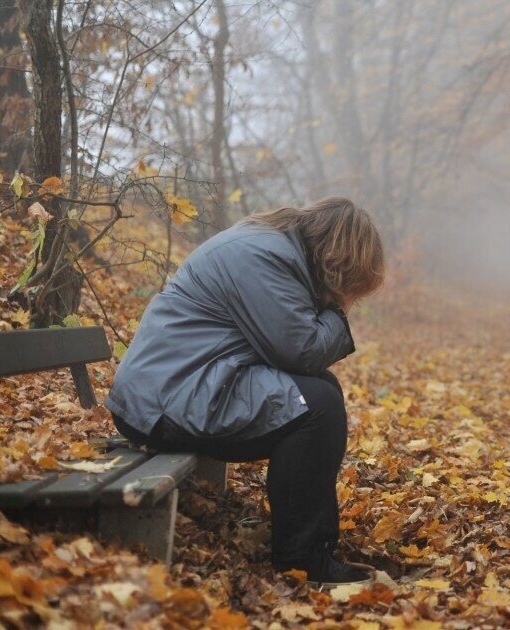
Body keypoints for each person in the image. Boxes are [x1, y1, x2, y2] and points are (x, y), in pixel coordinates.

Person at [106, 197, 384, 585]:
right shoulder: (265, 257)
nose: (349, 297)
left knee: (320, 392)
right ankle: (303, 561)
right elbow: (300, 351)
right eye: (352, 286)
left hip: (180, 385)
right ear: (340, 257)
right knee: (316, 405)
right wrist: (336, 311)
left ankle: (311, 548)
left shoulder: (273, 250)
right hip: (164, 400)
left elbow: (292, 352)